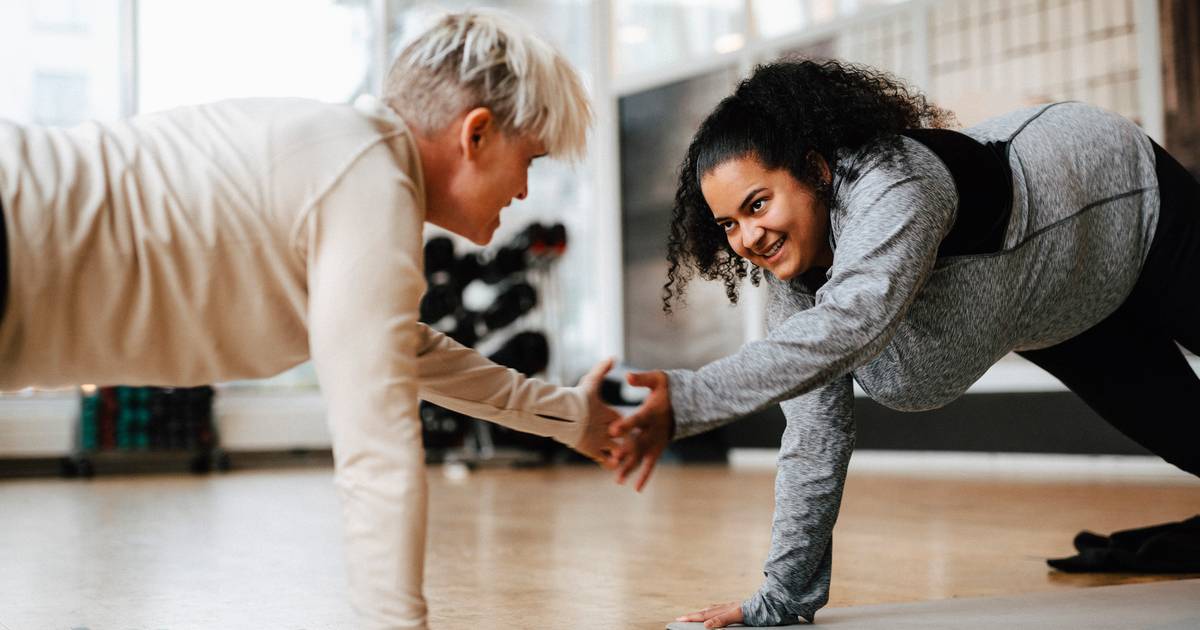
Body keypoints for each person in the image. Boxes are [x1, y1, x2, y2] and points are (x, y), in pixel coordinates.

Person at [0, 10, 620, 630]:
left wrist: (567, 416)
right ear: (476, 134)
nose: (524, 192)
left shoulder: (351, 158)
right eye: (530, 161)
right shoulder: (367, 180)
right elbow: (377, 452)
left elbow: (407, 353)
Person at [609, 58, 1200, 628]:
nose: (748, 237)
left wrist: (692, 398)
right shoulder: (795, 283)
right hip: (1064, 301)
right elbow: (814, 434)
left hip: (1124, 198)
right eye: (728, 224)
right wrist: (779, 597)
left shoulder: (897, 184)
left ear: (816, 170)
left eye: (757, 204)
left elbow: (851, 322)